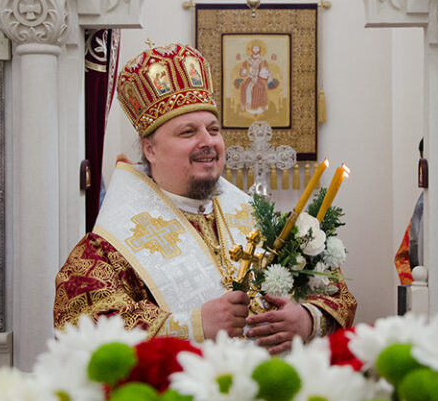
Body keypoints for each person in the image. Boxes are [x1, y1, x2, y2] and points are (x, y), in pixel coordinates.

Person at [54, 43, 356, 354]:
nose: (207, 141)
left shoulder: (259, 219)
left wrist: (308, 319)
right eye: (187, 132)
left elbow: (337, 293)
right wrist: (193, 326)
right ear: (150, 149)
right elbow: (82, 326)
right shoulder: (107, 248)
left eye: (213, 129)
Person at [238, 40, 273, 115]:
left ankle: (259, 107)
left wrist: (263, 73)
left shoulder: (263, 61)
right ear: (251, 49)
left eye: (257, 48)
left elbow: (266, 70)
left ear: (260, 49)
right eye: (254, 48)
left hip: (260, 78)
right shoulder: (247, 60)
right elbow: (243, 70)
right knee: (244, 86)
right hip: (250, 78)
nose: (256, 50)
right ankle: (245, 106)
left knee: (259, 87)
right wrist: (244, 72)